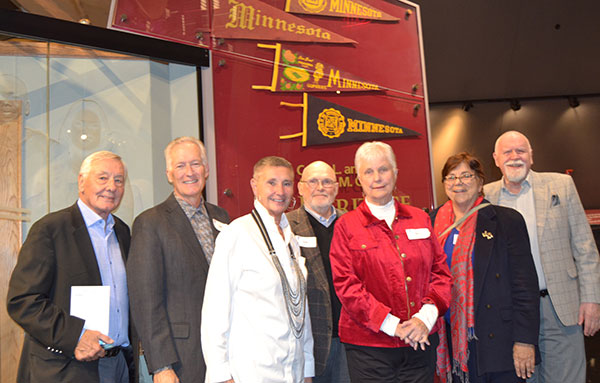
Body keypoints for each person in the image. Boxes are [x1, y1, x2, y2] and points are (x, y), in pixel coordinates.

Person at [7, 151, 134, 382]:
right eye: (102, 178)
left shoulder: (123, 232)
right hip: (68, 368)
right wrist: (76, 336)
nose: (112, 187)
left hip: (119, 366)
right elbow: (23, 301)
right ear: (81, 182)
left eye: (118, 180)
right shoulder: (50, 229)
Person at [330, 141, 451, 383]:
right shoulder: (346, 226)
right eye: (368, 171)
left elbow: (441, 275)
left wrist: (423, 319)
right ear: (358, 179)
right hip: (369, 347)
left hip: (420, 340)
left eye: (383, 169)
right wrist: (391, 324)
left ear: (395, 173)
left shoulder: (420, 218)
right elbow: (347, 285)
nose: (377, 177)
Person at [484, 130, 600, 383]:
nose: (515, 157)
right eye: (508, 152)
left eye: (521, 151)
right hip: (511, 315)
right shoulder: (485, 197)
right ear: (496, 159)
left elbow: (585, 246)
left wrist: (592, 299)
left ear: (532, 156)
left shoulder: (561, 185)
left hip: (559, 308)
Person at [201, 156, 315, 383]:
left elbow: (300, 309)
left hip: (293, 370)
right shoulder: (237, 235)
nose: (280, 191)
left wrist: (307, 367)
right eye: (271, 182)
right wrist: (222, 375)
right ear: (254, 186)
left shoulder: (291, 238)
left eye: (286, 183)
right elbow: (215, 311)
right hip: (252, 372)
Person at [126, 137, 230, 383]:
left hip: (224, 354)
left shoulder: (222, 217)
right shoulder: (150, 223)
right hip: (181, 359)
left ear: (206, 169)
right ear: (169, 174)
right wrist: (161, 365)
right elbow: (146, 300)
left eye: (195, 164)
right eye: (181, 166)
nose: (189, 172)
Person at [431, 152, 540, 383]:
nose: (457, 183)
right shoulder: (432, 222)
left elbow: (525, 286)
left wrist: (525, 340)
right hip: (451, 340)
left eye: (466, 176)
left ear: (480, 181)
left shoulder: (506, 221)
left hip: (499, 340)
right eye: (451, 177)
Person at [287, 161, 350, 383]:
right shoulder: (285, 227)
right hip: (309, 343)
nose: (320, 187)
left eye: (327, 182)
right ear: (301, 188)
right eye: (313, 181)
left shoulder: (351, 223)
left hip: (349, 340)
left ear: (336, 187)